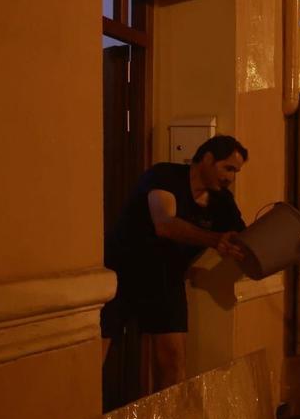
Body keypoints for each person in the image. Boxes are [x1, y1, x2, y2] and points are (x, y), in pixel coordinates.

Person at [103, 135, 249, 392]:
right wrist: (215, 239)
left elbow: (245, 239)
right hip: (122, 274)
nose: (230, 178)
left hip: (166, 279)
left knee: (173, 360)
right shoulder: (165, 176)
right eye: (227, 168)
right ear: (207, 158)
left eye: (235, 172)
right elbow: (165, 224)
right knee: (97, 353)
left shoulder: (222, 201)